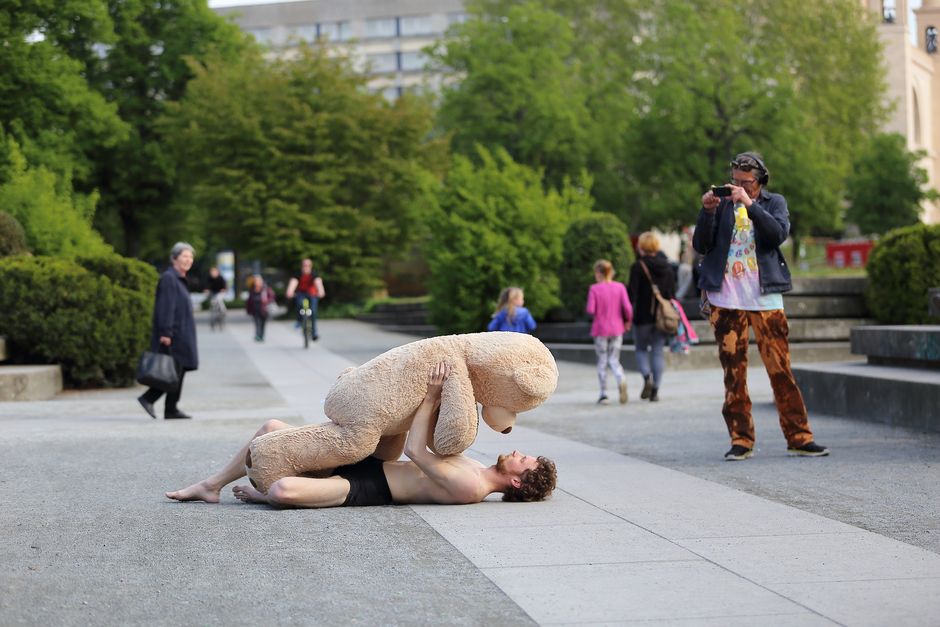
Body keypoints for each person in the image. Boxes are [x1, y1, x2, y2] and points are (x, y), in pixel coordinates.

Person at [165, 363, 558, 508]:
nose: (520, 452)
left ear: (516, 481)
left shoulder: (471, 486)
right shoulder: (475, 466)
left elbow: (418, 452)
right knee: (270, 429)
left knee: (283, 491)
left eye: (526, 459)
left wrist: (430, 398)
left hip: (367, 489)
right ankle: (211, 485)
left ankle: (260, 494)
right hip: (374, 461)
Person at [693, 151, 829, 460]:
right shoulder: (722, 206)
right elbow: (701, 244)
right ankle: (741, 438)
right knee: (734, 373)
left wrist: (750, 204)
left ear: (760, 182)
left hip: (765, 298)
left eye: (746, 182)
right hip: (726, 300)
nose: (738, 186)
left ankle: (799, 435)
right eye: (735, 181)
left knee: (780, 369)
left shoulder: (773, 203)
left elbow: (777, 234)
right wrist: (707, 212)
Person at [138, 242, 198, 420]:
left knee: (179, 370)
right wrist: (165, 333)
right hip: (173, 334)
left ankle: (171, 408)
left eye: (190, 257)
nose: (188, 260)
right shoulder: (169, 278)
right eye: (184, 256)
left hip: (181, 333)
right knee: (172, 371)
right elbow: (166, 307)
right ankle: (149, 398)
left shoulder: (179, 279)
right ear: (174, 259)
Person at [627, 232, 676, 402]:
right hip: (662, 317)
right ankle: (655, 390)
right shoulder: (668, 267)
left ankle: (647, 377)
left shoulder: (637, 267)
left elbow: (631, 295)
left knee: (641, 349)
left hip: (642, 317)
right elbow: (672, 294)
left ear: (641, 247)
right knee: (657, 351)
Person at [585, 260, 633, 405]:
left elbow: (590, 310)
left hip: (600, 329)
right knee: (614, 359)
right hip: (617, 328)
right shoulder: (620, 287)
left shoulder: (594, 289)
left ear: (599, 273)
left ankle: (604, 394)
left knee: (602, 361)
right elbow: (628, 308)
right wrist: (627, 321)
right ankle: (621, 378)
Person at [285, 258, 325, 341]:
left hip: (312, 294)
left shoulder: (314, 274)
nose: (306, 267)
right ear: (302, 266)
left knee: (313, 312)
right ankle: (299, 321)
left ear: (311, 266)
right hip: (301, 293)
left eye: (308, 265)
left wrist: (321, 291)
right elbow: (293, 282)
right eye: (304, 265)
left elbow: (318, 282)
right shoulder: (298, 274)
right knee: (299, 304)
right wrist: (290, 291)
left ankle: (314, 333)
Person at [245, 274, 276, 342]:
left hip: (264, 309)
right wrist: (248, 310)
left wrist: (267, 301)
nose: (257, 282)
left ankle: (261, 336)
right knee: (257, 323)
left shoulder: (266, 288)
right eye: (256, 281)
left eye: (258, 281)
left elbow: (272, 296)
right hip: (255, 309)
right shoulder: (252, 289)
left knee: (263, 323)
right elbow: (249, 300)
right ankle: (257, 335)